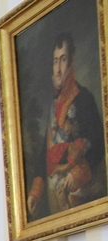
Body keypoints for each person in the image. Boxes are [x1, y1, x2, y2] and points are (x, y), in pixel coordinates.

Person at [26, 32, 107, 220]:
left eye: (63, 60)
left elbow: (99, 142)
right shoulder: (53, 108)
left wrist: (78, 174)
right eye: (55, 62)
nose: (58, 69)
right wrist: (35, 192)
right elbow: (46, 154)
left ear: (71, 61)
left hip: (79, 193)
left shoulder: (84, 98)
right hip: (54, 197)